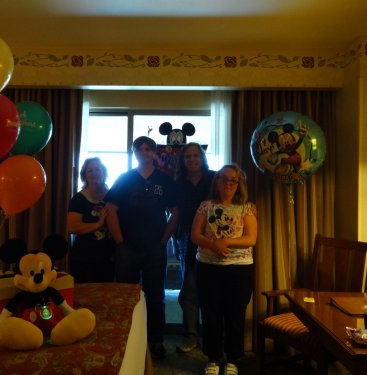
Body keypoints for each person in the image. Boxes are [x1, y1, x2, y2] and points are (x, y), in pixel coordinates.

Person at [104, 136, 179, 360]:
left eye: (148, 149)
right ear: (134, 152)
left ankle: (156, 339)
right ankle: (125, 337)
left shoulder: (164, 180)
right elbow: (110, 209)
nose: (144, 152)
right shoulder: (125, 178)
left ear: (154, 152)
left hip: (154, 248)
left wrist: (164, 240)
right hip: (127, 248)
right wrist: (119, 241)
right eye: (140, 148)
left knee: (156, 296)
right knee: (126, 296)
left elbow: (175, 213)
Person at [191, 164, 257, 375]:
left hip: (239, 270)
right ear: (217, 181)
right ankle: (212, 357)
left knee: (234, 315)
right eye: (224, 179)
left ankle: (232, 360)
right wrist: (213, 244)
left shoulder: (247, 208)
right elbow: (195, 235)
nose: (228, 183)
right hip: (208, 267)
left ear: (239, 184)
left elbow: (251, 239)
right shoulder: (205, 205)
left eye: (233, 180)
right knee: (211, 315)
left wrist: (225, 240)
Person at [173, 142, 216, 353]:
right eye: (187, 156)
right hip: (186, 243)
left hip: (214, 244)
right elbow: (173, 213)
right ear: (183, 160)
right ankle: (190, 335)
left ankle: (213, 336)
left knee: (212, 291)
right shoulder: (177, 182)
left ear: (202, 157)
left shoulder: (215, 178)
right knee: (189, 290)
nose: (191, 159)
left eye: (195, 155)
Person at [67, 157, 115, 283]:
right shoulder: (78, 199)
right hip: (85, 257)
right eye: (90, 171)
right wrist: (98, 224)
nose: (94, 173)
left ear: (104, 173)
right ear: (84, 176)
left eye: (98, 169)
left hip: (110, 256)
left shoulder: (113, 196)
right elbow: (72, 227)